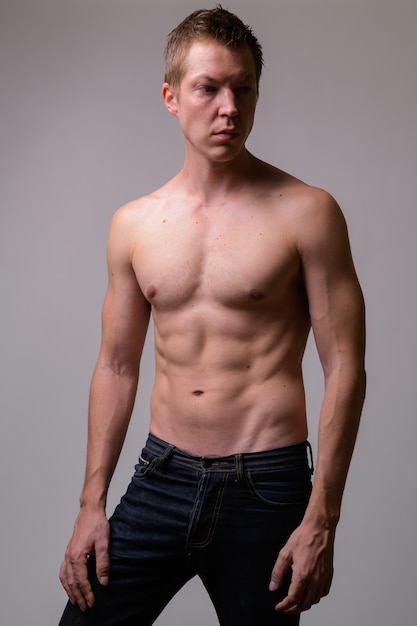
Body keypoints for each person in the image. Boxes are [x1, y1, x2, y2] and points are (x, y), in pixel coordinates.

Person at [58, 6, 366, 626]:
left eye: (243, 88)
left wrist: (321, 518)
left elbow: (346, 369)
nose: (229, 106)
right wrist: (92, 503)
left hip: (268, 487)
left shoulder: (307, 213)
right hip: (161, 476)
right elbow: (116, 367)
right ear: (172, 97)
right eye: (209, 88)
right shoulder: (134, 225)